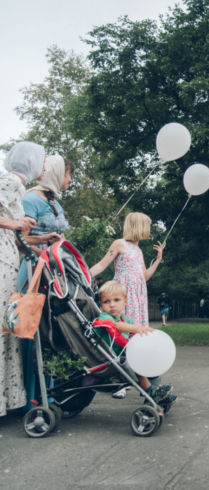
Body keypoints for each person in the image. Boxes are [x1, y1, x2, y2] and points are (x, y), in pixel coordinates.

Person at [16, 154, 75, 410]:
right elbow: (19, 239)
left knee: (52, 330)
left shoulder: (54, 203)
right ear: (56, 173)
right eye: (68, 174)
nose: (70, 180)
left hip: (55, 270)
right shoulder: (30, 199)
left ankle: (49, 391)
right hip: (34, 269)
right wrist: (42, 248)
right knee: (33, 331)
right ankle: (31, 395)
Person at [90, 212, 165, 397]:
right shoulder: (119, 244)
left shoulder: (139, 251)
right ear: (138, 226)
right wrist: (84, 276)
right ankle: (120, 382)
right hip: (123, 295)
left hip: (139, 297)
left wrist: (158, 259)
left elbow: (144, 277)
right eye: (146, 225)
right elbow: (102, 265)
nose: (148, 230)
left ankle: (141, 378)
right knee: (121, 335)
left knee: (136, 337)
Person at [0, 141, 44, 417]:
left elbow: (15, 236)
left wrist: (41, 241)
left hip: (8, 256)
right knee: (4, 325)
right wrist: (17, 224)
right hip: (1, 262)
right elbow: (11, 225)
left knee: (7, 326)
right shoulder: (9, 181)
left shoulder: (17, 185)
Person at [93, 281, 175, 404]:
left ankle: (156, 393)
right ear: (100, 304)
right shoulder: (104, 317)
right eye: (106, 301)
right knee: (136, 362)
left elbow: (133, 334)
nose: (112, 305)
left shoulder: (126, 320)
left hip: (123, 355)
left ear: (125, 301)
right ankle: (150, 391)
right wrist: (137, 329)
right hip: (111, 359)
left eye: (116, 300)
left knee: (149, 358)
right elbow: (115, 325)